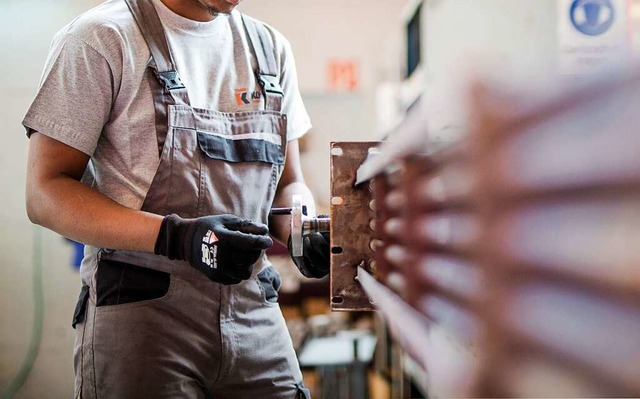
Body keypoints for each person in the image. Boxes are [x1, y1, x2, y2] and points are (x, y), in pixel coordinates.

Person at [23, 0, 330, 397]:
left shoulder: (269, 48)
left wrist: (302, 228)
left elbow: (289, 184)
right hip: (144, 320)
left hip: (253, 311)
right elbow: (44, 191)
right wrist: (178, 237)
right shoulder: (101, 38)